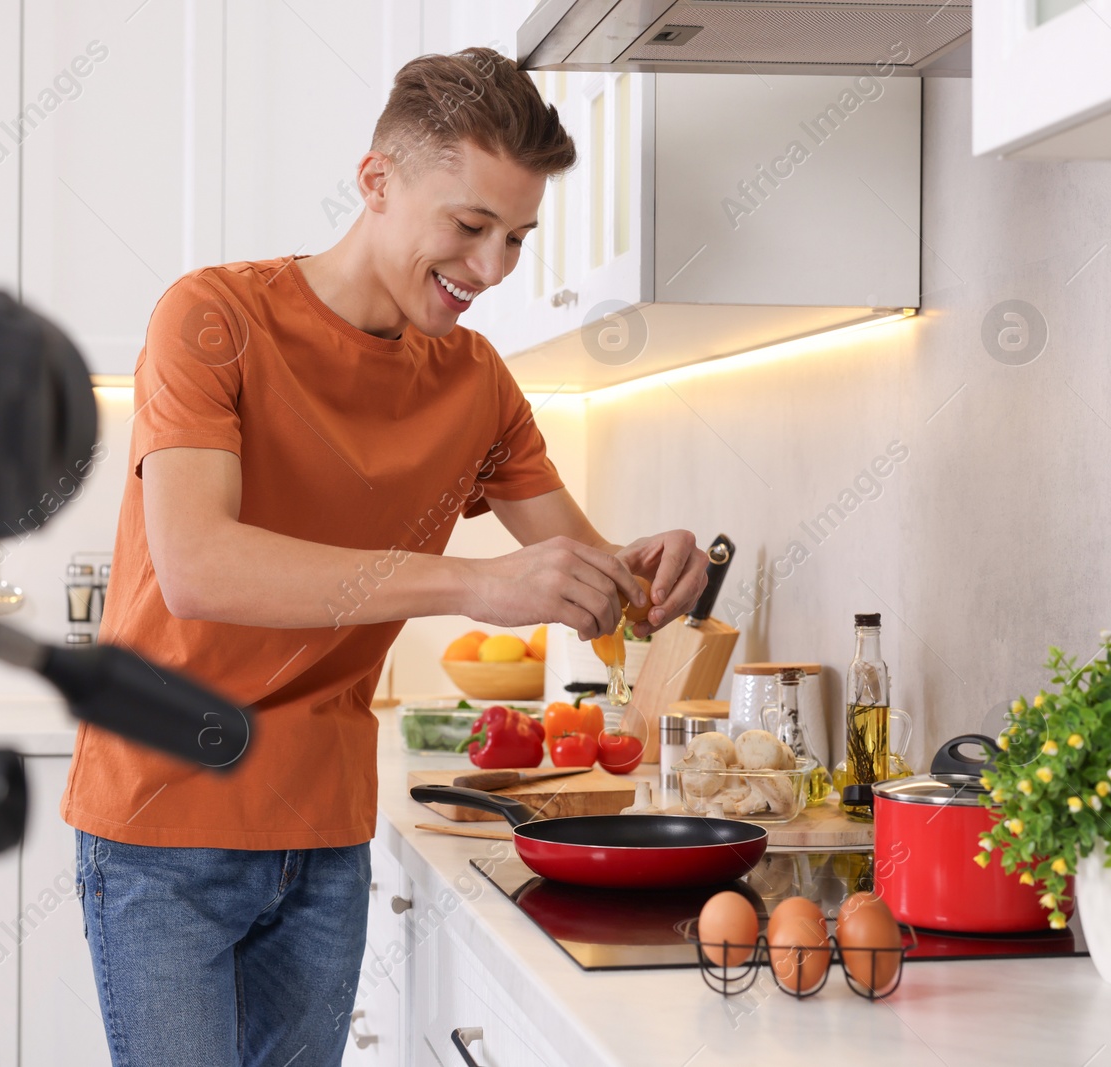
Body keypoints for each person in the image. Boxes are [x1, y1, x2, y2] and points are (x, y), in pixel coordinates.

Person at [62, 46, 711, 1067]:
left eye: (517, 236)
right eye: (469, 226)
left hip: (321, 828)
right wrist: (478, 584)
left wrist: (646, 568)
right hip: (163, 820)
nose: (493, 268)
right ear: (376, 181)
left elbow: (590, 576)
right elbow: (198, 563)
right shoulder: (214, 318)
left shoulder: (475, 380)